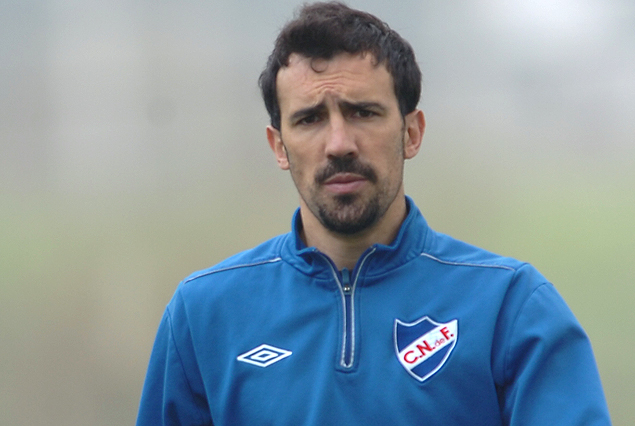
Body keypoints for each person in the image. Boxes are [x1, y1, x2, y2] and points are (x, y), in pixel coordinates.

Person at [136, 2, 611, 425]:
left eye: (363, 112)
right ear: (278, 146)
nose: (339, 144)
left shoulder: (511, 307)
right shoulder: (204, 315)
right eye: (310, 119)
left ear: (412, 132)